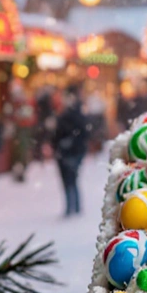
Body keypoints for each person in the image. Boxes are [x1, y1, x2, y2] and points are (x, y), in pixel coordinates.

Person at [53, 87, 90, 217]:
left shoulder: (73, 114)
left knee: (70, 179)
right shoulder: (65, 113)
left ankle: (72, 206)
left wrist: (68, 142)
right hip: (66, 151)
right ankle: (73, 206)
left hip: (71, 152)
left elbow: (81, 134)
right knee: (70, 179)